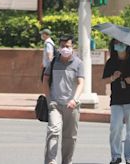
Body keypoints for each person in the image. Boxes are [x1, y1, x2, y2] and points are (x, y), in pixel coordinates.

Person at [102, 39, 130, 164]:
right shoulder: (111, 61)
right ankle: (116, 156)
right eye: (116, 43)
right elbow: (104, 80)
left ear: (127, 45)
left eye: (121, 43)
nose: (119, 45)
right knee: (115, 127)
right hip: (116, 99)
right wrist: (113, 77)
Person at [43, 35, 84, 164]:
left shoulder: (78, 63)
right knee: (53, 131)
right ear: (59, 47)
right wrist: (49, 99)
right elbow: (45, 80)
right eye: (63, 46)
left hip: (71, 106)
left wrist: (75, 100)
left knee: (70, 137)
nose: (65, 48)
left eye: (68, 46)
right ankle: (51, 161)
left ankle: (66, 161)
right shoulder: (53, 62)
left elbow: (81, 83)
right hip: (55, 104)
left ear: (72, 47)